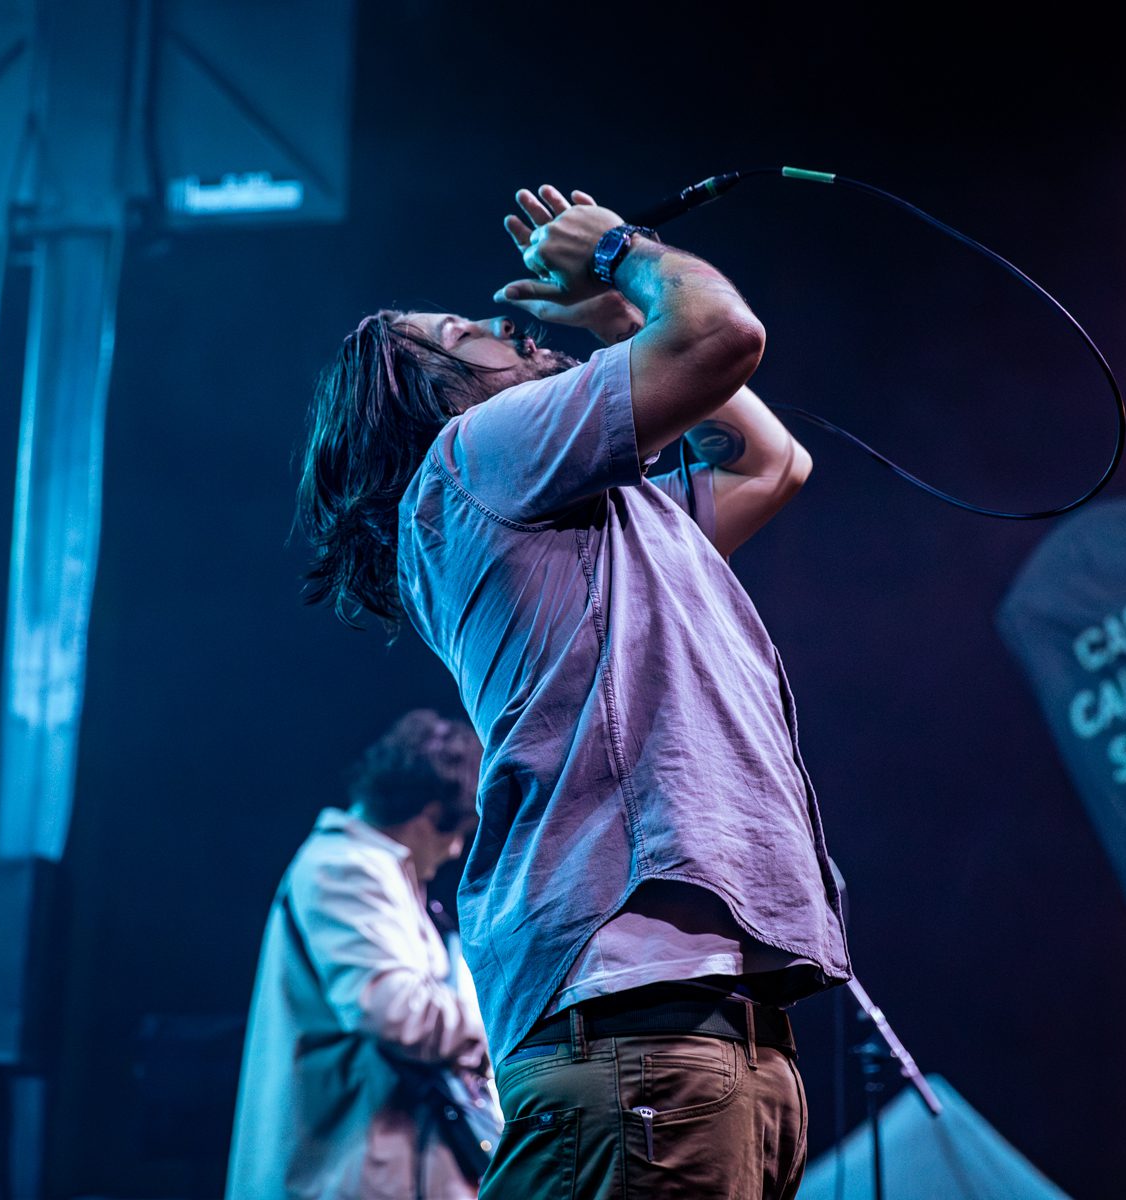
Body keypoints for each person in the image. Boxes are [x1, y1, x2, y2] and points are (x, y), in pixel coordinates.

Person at [296, 185, 849, 1198]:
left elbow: (772, 465)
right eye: (464, 335)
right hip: (642, 1040)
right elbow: (722, 336)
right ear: (430, 399)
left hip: (694, 1046)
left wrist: (618, 320)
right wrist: (623, 252)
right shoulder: (474, 456)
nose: (506, 327)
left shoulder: (595, 519)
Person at [226, 709, 489, 1200]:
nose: (457, 850)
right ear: (429, 813)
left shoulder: (376, 871)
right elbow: (394, 1010)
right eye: (456, 831)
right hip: (347, 1177)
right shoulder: (344, 867)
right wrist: (496, 1022)